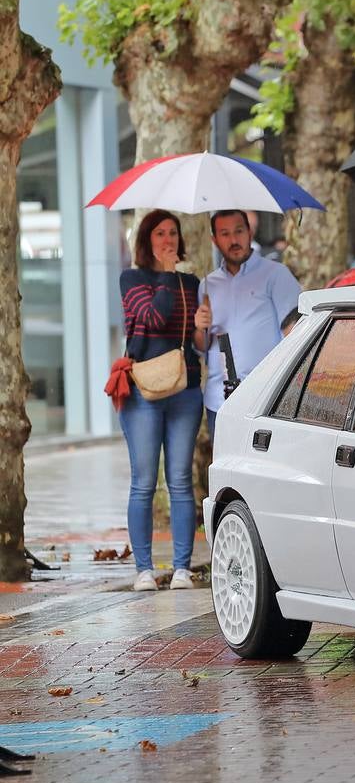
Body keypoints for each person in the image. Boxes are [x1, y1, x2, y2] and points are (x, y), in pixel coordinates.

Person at [117, 210, 203, 592]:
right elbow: (153, 318)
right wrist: (168, 276)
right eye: (159, 234)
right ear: (147, 241)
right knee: (144, 481)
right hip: (143, 392)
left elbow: (197, 340)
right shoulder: (132, 278)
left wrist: (202, 327)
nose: (168, 239)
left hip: (185, 390)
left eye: (173, 233)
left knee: (182, 480)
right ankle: (144, 570)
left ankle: (182, 568)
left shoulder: (192, 283)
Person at [196, 209, 302, 437]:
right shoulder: (207, 286)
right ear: (214, 240)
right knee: (225, 470)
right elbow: (202, 346)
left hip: (266, 399)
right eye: (225, 234)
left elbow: (296, 334)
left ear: (249, 232)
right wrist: (199, 326)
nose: (233, 240)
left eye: (239, 231)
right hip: (219, 401)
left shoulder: (276, 274)